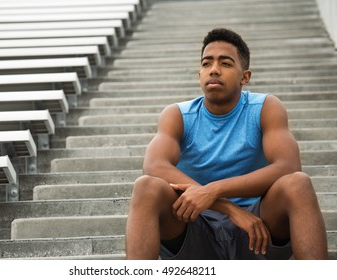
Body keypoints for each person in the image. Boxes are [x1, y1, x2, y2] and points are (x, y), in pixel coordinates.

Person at [125, 28, 328, 260]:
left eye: (226, 63)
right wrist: (226, 207)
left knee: (298, 184)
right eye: (206, 63)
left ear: (245, 76)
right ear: (199, 74)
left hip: (257, 230)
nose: (213, 70)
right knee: (146, 187)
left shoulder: (265, 108)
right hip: (195, 227)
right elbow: (154, 166)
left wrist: (213, 190)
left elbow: (288, 166)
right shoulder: (177, 115)